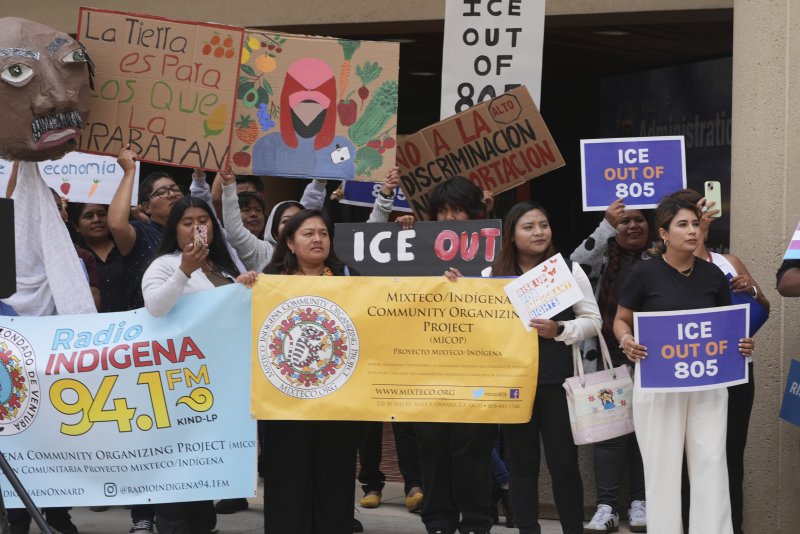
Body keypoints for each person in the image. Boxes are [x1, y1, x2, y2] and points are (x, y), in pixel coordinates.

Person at [613, 197, 755, 534]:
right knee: (662, 468)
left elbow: (726, 327)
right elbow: (621, 319)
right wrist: (626, 340)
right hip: (659, 384)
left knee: (711, 464)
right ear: (663, 233)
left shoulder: (713, 275)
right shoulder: (644, 273)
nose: (692, 231)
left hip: (707, 385)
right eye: (683, 225)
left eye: (695, 224)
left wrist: (743, 343)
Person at [469, 201, 600, 534]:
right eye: (528, 227)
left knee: (564, 464)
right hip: (515, 384)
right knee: (521, 466)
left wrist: (561, 329)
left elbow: (593, 321)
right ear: (511, 235)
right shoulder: (491, 276)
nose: (539, 232)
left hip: (558, 382)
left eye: (544, 225)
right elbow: (476, 323)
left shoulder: (568, 270)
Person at [141, 196, 257, 533]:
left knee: (201, 461)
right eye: (187, 222)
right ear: (174, 229)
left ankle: (202, 524)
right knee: (176, 462)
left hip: (217, 380)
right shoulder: (164, 265)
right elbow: (155, 307)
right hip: (180, 381)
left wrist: (242, 287)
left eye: (203, 221)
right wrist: (184, 271)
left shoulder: (222, 264)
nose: (197, 228)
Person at [668, 188, 769, 534]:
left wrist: (750, 290)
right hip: (687, 375)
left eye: (699, 218)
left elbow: (762, 307)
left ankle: (731, 526)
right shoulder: (659, 268)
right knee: (687, 457)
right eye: (686, 220)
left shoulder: (728, 262)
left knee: (730, 454)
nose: (695, 225)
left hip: (735, 373)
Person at [260, 208, 362, 534]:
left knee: (334, 473)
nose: (318, 239)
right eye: (308, 233)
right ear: (290, 243)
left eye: (323, 233)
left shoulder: (349, 277)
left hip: (337, 398)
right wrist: (246, 287)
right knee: (287, 473)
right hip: (284, 400)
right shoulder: (269, 281)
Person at [412, 176, 496, 534]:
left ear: (474, 213)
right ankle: (438, 520)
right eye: (442, 211)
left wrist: (472, 287)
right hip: (428, 368)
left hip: (478, 369)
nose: (448, 218)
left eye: (457, 210)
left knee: (472, 447)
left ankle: (475, 520)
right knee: (432, 445)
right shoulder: (416, 251)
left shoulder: (495, 252)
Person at [570, 198, 650, 533]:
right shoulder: (603, 256)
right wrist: (605, 226)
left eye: (639, 220)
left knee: (646, 434)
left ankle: (640, 502)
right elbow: (572, 266)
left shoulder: (660, 257)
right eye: (624, 221)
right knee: (610, 435)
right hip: (607, 360)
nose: (632, 226)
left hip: (652, 360)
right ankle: (606, 507)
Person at [67, 202, 129, 312]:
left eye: (102, 214)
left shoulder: (127, 248)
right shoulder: (73, 257)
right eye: (89, 216)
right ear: (76, 226)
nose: (96, 220)